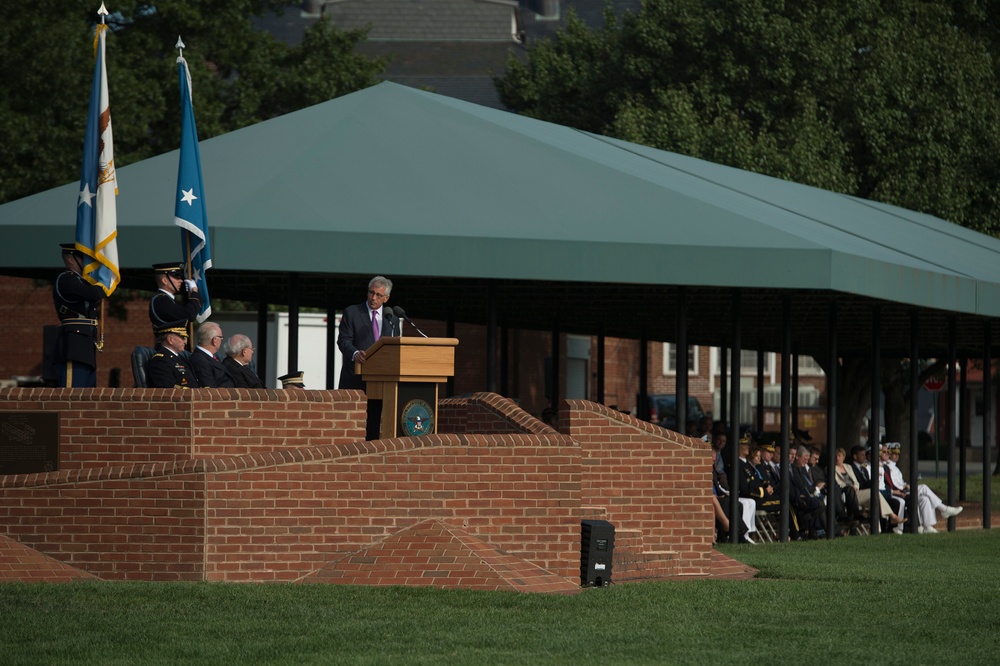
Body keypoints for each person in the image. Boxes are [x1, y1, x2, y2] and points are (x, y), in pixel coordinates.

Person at [337, 276, 400, 439]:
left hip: (381, 381)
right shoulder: (352, 312)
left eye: (379, 295)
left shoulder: (391, 318)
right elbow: (343, 340)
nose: (373, 298)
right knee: (350, 426)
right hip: (355, 378)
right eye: (371, 293)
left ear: (386, 298)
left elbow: (395, 347)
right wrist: (355, 353)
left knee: (374, 426)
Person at [52, 243, 107, 387]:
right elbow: (94, 294)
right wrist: (104, 279)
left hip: (85, 342)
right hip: (73, 344)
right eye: (83, 258)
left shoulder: (81, 281)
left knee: (86, 395)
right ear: (71, 259)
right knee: (72, 392)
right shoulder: (67, 279)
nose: (88, 263)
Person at [884, 441, 962, 533]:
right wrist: (906, 486)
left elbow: (899, 482)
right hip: (899, 492)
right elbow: (894, 485)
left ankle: (928, 526)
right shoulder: (887, 466)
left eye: (898, 453)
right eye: (894, 453)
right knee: (924, 487)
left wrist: (906, 485)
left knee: (925, 499)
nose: (897, 455)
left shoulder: (895, 468)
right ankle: (943, 509)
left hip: (904, 490)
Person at [145, 321, 199, 389]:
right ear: (170, 340)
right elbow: (168, 389)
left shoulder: (181, 358)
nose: (185, 342)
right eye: (182, 337)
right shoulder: (160, 361)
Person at [149, 262, 201, 329]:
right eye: (177, 277)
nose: (181, 281)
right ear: (165, 281)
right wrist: (194, 291)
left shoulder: (166, 299)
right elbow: (189, 315)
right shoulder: (161, 301)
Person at [189, 322, 235, 388]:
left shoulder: (208, 357)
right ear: (214, 340)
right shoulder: (200, 360)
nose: (221, 340)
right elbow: (210, 389)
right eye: (221, 338)